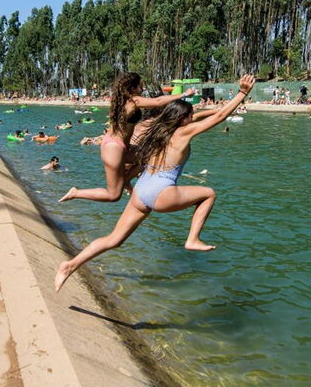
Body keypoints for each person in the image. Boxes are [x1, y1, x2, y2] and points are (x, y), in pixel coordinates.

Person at [55, 75, 256, 292]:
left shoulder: (157, 131)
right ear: (183, 119)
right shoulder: (183, 132)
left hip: (140, 194)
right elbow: (219, 116)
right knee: (208, 193)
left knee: (114, 239)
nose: (193, 119)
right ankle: (193, 239)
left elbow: (205, 115)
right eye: (191, 117)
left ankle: (70, 265)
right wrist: (242, 93)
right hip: (160, 193)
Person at [59, 72, 195, 203]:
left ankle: (126, 182)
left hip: (118, 145)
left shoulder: (121, 101)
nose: (142, 89)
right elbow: (158, 101)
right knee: (113, 195)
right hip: (114, 148)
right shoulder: (133, 100)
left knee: (149, 156)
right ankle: (76, 193)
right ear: (132, 88)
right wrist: (184, 94)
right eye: (140, 86)